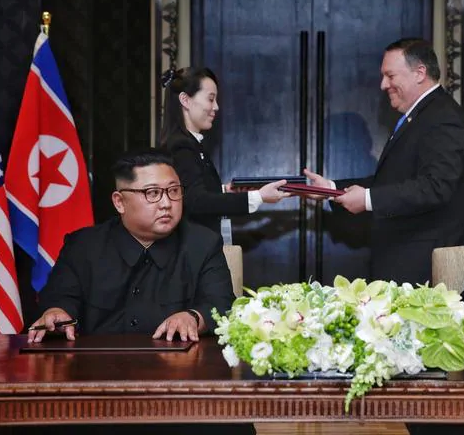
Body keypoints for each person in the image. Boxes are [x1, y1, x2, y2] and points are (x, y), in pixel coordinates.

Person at [27, 148, 255, 435]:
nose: (167, 203)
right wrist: (56, 312)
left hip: (180, 388)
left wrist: (192, 316)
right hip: (95, 388)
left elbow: (221, 303)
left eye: (174, 191)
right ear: (119, 202)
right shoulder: (83, 246)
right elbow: (59, 297)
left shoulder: (203, 244)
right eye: (152, 193)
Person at [304, 38, 464, 288]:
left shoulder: (442, 117)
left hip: (420, 266)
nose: (383, 84)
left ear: (419, 73)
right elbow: (394, 180)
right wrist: (332, 189)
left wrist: (368, 199)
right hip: (404, 258)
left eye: (390, 76)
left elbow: (436, 187)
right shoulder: (421, 114)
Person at [160, 66, 290, 236]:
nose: (216, 107)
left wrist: (223, 191)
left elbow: (192, 190)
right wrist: (259, 197)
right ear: (185, 100)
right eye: (210, 99)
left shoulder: (190, 143)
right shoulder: (181, 146)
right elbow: (196, 201)